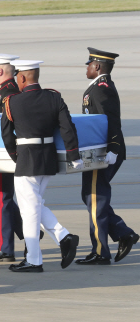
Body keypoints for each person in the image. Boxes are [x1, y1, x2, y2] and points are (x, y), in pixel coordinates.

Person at [1, 60, 81, 272]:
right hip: (48, 159)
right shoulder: (54, 97)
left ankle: (34, 260)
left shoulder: (12, 102)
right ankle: (64, 237)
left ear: (23, 77)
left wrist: (15, 157)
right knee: (34, 205)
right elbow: (68, 128)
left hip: (26, 160)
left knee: (29, 211)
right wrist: (74, 153)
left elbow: (7, 136)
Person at [76, 47, 138, 265]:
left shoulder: (101, 89)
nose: (86, 67)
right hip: (98, 150)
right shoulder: (99, 87)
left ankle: (101, 251)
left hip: (103, 152)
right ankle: (123, 233)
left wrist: (112, 148)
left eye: (89, 64)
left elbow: (108, 120)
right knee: (91, 196)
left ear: (97, 66)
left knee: (95, 199)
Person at [0, 53, 25, 262]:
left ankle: (5, 248)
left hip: (6, 156)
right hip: (4, 155)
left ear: (0, 70)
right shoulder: (5, 92)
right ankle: (30, 231)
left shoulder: (8, 93)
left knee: (2, 198)